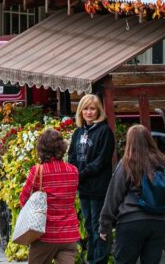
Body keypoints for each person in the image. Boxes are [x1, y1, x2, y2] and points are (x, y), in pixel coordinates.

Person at [99, 124, 165, 264]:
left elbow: (113, 196)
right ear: (150, 139)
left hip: (131, 221)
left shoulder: (127, 162)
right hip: (160, 222)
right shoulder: (164, 162)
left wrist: (104, 225)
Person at [19, 127, 81, 264]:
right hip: (68, 235)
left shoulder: (37, 171)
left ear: (41, 149)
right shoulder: (74, 171)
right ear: (62, 147)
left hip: (44, 235)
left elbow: (23, 198)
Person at [68, 93, 115, 264]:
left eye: (92, 109)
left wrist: (80, 174)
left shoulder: (105, 132)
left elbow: (101, 161)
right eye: (86, 109)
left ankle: (100, 260)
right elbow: (71, 155)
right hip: (83, 187)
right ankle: (91, 258)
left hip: (98, 187)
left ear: (98, 111)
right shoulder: (78, 132)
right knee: (88, 225)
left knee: (99, 227)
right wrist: (74, 173)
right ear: (81, 111)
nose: (89, 112)